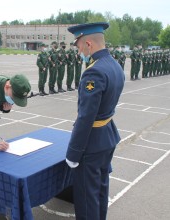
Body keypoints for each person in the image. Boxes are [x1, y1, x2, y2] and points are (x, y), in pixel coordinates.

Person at [66, 22, 125, 220]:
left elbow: (85, 117)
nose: (79, 50)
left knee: (86, 196)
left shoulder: (93, 72)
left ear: (89, 44)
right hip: (107, 135)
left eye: (79, 45)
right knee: (100, 188)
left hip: (91, 144)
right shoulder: (114, 64)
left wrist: (73, 153)